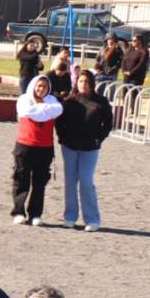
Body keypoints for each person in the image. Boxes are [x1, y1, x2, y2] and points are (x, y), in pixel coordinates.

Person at [55, 69, 112, 231]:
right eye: (80, 81)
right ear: (76, 83)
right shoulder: (69, 101)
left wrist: (99, 138)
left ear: (92, 83)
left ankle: (92, 219)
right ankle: (70, 217)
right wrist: (62, 137)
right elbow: (59, 122)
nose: (83, 84)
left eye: (86, 81)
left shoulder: (101, 101)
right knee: (70, 182)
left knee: (86, 181)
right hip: (69, 147)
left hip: (90, 148)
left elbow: (108, 123)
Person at [11, 75, 62, 227]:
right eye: (39, 86)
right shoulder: (24, 99)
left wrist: (41, 109)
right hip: (25, 145)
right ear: (33, 86)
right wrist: (45, 110)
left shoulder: (52, 100)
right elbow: (29, 112)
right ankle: (19, 212)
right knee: (21, 179)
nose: (41, 89)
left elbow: (58, 110)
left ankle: (35, 214)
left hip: (45, 147)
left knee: (40, 182)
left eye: (45, 86)